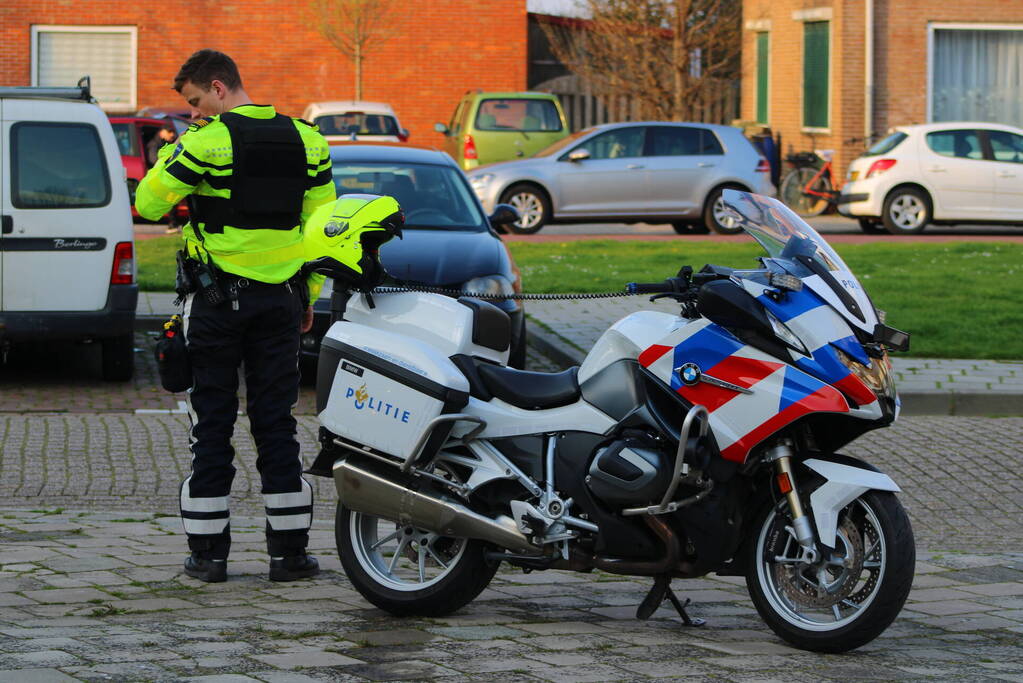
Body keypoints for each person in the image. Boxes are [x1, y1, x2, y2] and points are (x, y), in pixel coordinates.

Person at [134, 49, 336, 583]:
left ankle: (208, 557)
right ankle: (289, 556)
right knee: (277, 424)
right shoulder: (309, 140)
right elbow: (322, 228)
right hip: (281, 305)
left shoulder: (206, 142)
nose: (196, 112)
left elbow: (151, 204)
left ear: (219, 88)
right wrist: (307, 296)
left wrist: (174, 149)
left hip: (217, 305)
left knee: (212, 426)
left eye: (197, 101)